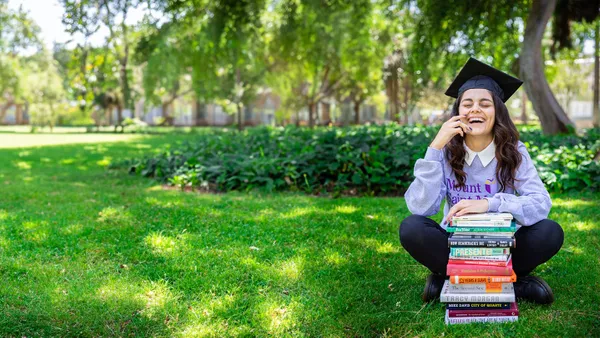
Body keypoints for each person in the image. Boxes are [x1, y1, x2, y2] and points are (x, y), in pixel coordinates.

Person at [399, 58, 564, 304]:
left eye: (485, 103)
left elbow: (541, 202)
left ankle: (450, 282)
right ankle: (513, 286)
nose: (475, 109)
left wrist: (490, 204)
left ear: (497, 112)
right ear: (457, 113)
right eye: (467, 104)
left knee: (550, 231)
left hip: (503, 246)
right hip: (456, 246)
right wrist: (434, 147)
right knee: (411, 227)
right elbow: (421, 207)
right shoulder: (444, 152)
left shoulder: (514, 151)